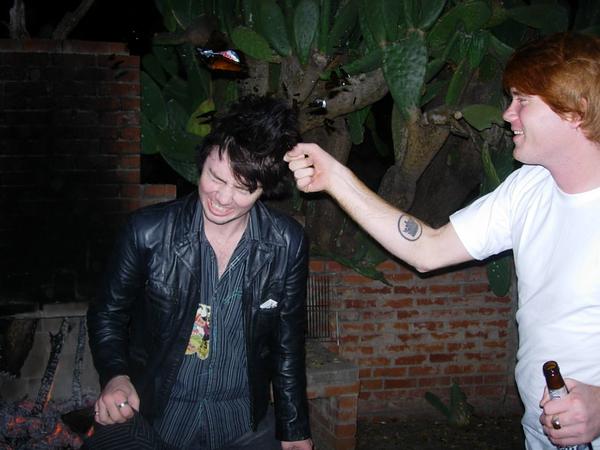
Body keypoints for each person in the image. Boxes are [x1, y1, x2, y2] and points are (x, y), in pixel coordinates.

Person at [285, 32, 600, 450]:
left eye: (523, 101)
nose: (508, 114)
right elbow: (428, 249)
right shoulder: (528, 188)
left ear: (575, 112)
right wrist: (335, 178)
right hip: (541, 433)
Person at [87, 95, 313, 450]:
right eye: (215, 177)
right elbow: (108, 314)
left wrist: (295, 428)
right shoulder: (146, 231)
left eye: (243, 188)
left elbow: (288, 343)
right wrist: (115, 375)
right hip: (157, 416)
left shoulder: (287, 243)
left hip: (243, 422)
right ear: (202, 160)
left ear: (265, 189)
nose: (222, 199)